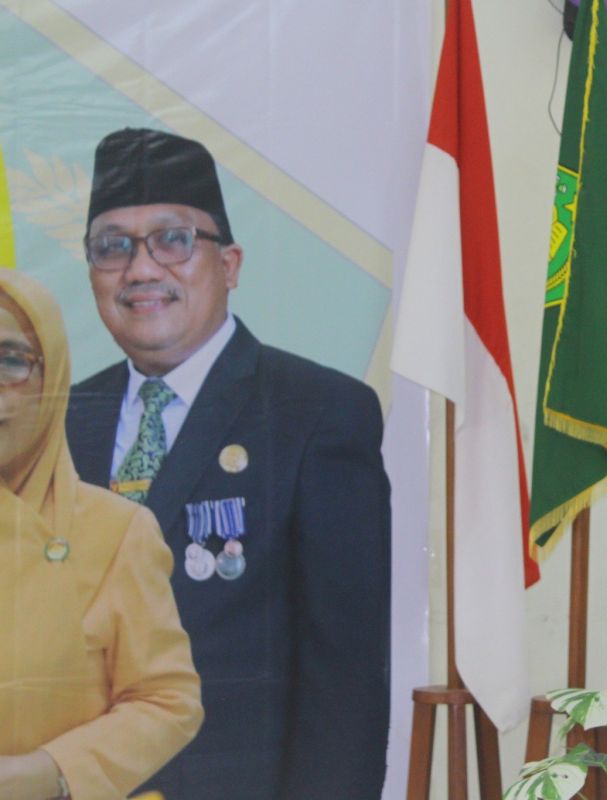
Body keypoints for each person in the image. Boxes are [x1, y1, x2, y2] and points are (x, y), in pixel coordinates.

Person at [65, 128, 391, 799]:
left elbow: (345, 681)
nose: (142, 269)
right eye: (112, 247)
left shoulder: (318, 414)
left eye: (173, 239)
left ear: (231, 264)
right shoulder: (57, 421)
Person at [1, 269, 202, 799]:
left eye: (10, 361)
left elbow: (167, 700)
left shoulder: (117, 532)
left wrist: (53, 772)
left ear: (54, 375)